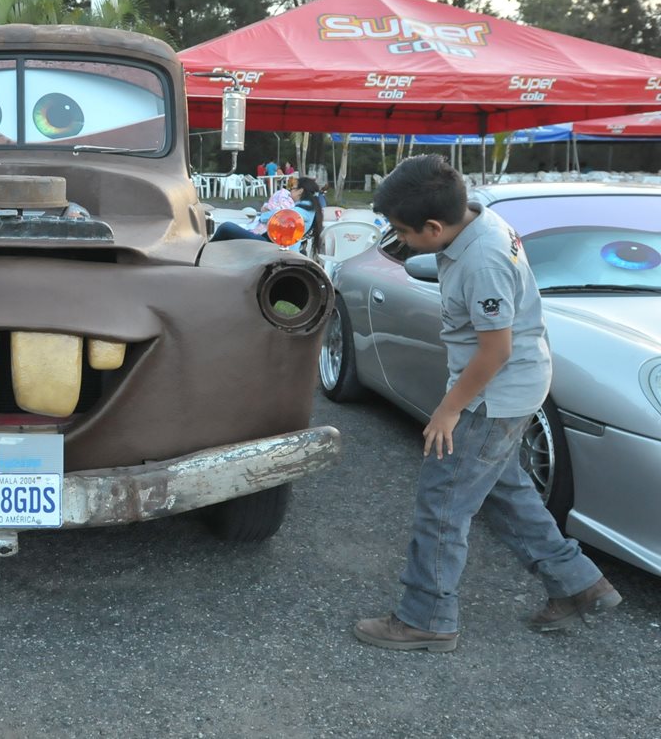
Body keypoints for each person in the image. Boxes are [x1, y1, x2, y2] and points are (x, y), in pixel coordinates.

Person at [354, 155, 619, 653]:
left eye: (403, 232)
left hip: (493, 397)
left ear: (434, 226)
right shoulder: (474, 219)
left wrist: (449, 409)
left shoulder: (483, 260)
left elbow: (494, 350)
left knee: (442, 506)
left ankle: (426, 617)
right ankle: (580, 584)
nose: (401, 241)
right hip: (514, 387)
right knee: (507, 492)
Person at [211, 176, 324, 255]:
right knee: (230, 231)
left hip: (271, 246)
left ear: (300, 191)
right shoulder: (307, 209)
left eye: (293, 188)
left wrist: (265, 213)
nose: (290, 192)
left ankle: (205, 254)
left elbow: (270, 217)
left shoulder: (300, 212)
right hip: (274, 244)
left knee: (226, 227)